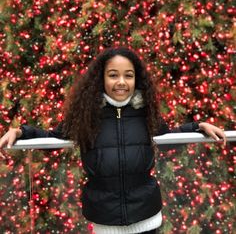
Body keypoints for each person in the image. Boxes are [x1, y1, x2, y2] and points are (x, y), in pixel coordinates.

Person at [0, 47, 226, 234]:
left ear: (136, 79)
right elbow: (52, 137)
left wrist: (198, 127)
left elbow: (168, 137)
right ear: (102, 78)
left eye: (128, 75)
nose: (121, 82)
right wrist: (20, 132)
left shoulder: (145, 112)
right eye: (113, 75)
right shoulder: (86, 115)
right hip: (104, 221)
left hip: (147, 218)